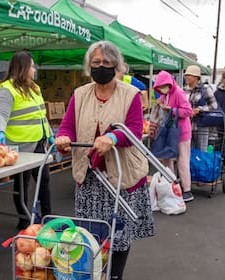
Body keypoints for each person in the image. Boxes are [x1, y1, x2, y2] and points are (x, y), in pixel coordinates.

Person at [54, 41, 154, 280]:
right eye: (96, 63)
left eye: (107, 63)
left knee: (119, 237)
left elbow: (135, 131)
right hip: (90, 179)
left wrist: (112, 137)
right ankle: (93, 273)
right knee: (89, 236)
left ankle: (114, 276)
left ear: (117, 66)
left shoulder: (130, 95)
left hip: (121, 179)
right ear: (89, 67)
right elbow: (68, 126)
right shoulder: (80, 94)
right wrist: (63, 138)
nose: (101, 67)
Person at [0, 51, 53, 230]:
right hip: (20, 146)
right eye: (32, 66)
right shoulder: (7, 89)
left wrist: (49, 134)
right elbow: (1, 115)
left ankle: (48, 215)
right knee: (22, 184)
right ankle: (24, 218)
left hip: (39, 143)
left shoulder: (34, 88)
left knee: (44, 180)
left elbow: (41, 114)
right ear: (23, 68)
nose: (34, 70)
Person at [153, 70, 194, 202]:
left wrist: (171, 109)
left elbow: (188, 111)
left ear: (169, 83)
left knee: (182, 161)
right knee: (167, 158)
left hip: (182, 132)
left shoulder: (178, 92)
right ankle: (172, 184)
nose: (161, 89)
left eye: (163, 86)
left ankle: (187, 190)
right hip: (169, 131)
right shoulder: (165, 94)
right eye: (159, 87)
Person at [184, 65, 218, 151]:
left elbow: (214, 106)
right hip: (187, 126)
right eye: (186, 75)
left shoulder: (205, 89)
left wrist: (200, 109)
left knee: (201, 151)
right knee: (188, 151)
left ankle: (201, 165)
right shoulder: (184, 90)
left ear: (196, 77)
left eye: (189, 75)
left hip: (201, 126)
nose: (186, 77)